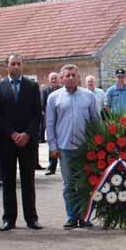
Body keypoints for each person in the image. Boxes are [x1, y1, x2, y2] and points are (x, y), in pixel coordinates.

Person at [0, 54, 43, 231]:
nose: (15, 66)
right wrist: (12, 133)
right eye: (12, 64)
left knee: (28, 180)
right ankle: (9, 219)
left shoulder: (32, 86)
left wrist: (27, 134)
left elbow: (37, 113)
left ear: (22, 66)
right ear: (7, 66)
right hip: (6, 141)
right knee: (8, 181)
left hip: (27, 141)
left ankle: (31, 218)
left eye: (18, 64)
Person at [46, 64, 99, 228]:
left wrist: (97, 145)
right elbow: (50, 123)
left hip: (85, 148)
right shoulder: (54, 98)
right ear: (62, 78)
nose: (70, 78)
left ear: (78, 78)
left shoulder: (89, 96)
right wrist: (52, 146)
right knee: (69, 185)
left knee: (85, 184)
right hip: (64, 148)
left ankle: (84, 216)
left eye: (73, 75)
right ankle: (71, 216)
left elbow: (96, 121)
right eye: (67, 75)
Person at [42, 72, 61, 175]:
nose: (54, 80)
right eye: (52, 79)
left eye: (55, 78)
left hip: (62, 120)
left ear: (59, 79)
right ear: (49, 80)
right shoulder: (45, 91)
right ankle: (52, 166)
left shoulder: (63, 89)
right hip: (50, 120)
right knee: (52, 143)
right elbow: (42, 105)